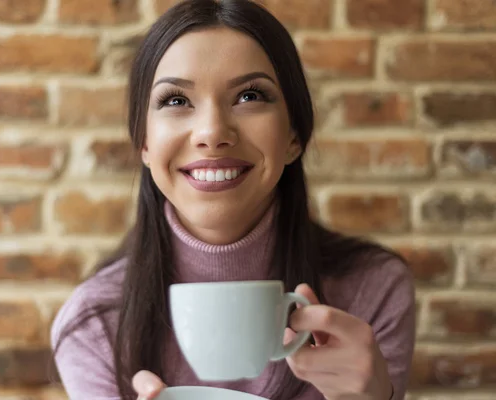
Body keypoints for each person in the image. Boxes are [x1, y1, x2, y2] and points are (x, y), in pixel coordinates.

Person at [50, 0, 416, 399]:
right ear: (145, 144)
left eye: (249, 96)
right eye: (176, 100)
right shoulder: (94, 323)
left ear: (294, 135)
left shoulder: (372, 290)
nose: (212, 132)